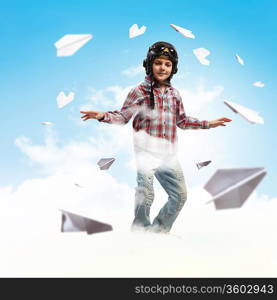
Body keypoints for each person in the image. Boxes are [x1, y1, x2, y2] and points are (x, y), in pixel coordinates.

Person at [80, 41, 231, 234]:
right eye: (158, 62)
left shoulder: (174, 94)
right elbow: (123, 117)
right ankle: (140, 231)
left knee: (180, 195)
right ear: (149, 64)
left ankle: (158, 232)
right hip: (146, 153)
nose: (163, 68)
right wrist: (102, 116)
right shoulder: (139, 92)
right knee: (146, 194)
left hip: (168, 156)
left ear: (173, 68)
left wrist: (209, 123)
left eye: (168, 65)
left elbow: (182, 121)